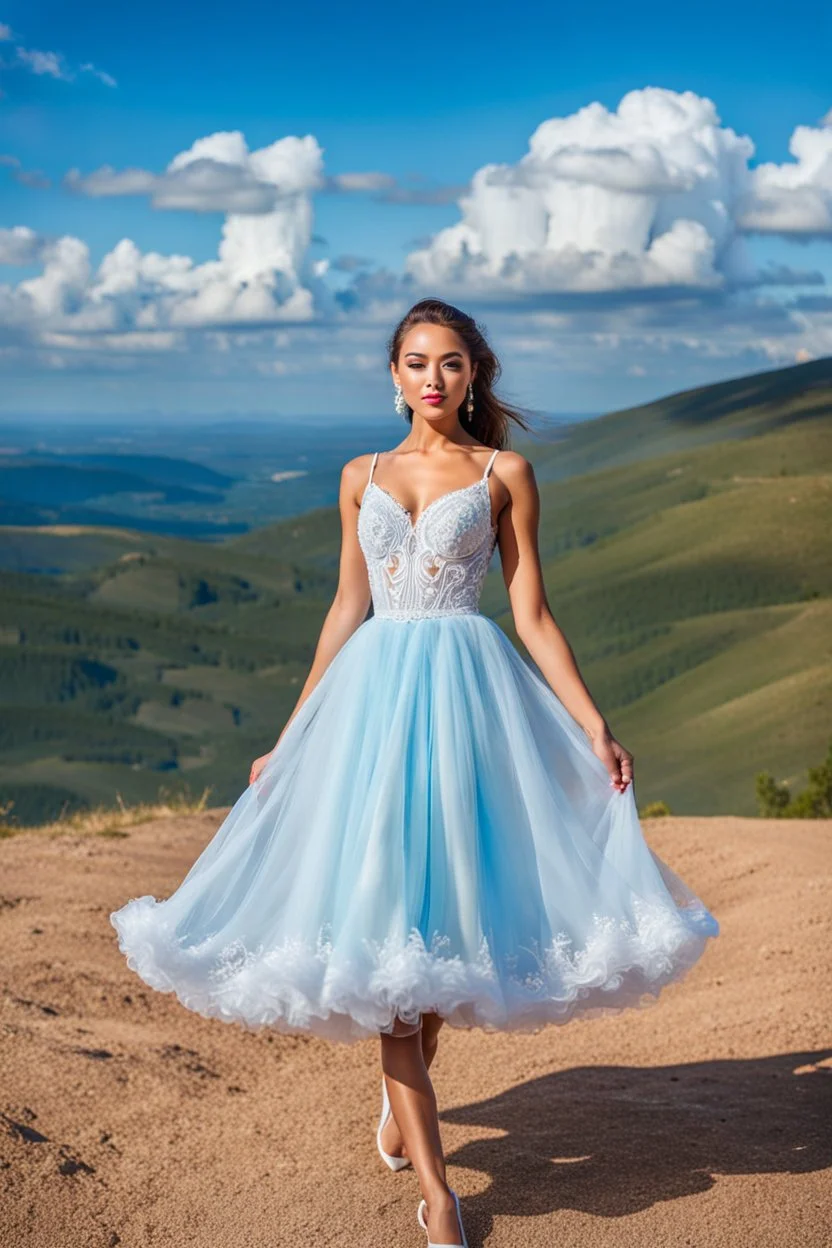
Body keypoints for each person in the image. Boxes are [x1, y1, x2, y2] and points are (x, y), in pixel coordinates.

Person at [110, 297, 720, 1248]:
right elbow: (346, 608)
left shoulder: (503, 472)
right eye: (414, 362)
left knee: (435, 957)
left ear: (475, 374)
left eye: (450, 363)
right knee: (393, 961)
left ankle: (404, 1106)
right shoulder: (359, 475)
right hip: (369, 716)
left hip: (469, 712)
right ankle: (439, 1197)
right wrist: (295, 730)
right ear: (391, 375)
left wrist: (594, 726)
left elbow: (533, 615)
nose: (432, 378)